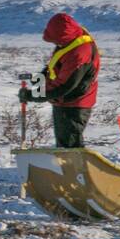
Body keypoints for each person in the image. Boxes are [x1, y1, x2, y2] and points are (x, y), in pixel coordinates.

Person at [19, 13, 101, 148]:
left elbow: (63, 86)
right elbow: (60, 63)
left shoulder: (79, 54)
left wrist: (32, 95)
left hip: (74, 103)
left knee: (69, 146)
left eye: (56, 40)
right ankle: (66, 168)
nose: (55, 43)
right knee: (64, 144)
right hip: (65, 101)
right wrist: (43, 76)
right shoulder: (71, 40)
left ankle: (74, 169)